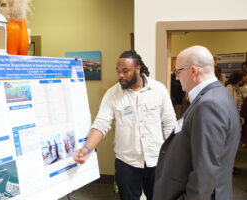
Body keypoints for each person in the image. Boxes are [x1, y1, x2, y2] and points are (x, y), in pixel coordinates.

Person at [73, 50, 176, 200]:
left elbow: (169, 124)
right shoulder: (112, 94)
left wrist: (172, 157)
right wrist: (87, 148)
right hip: (127, 164)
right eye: (118, 71)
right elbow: (101, 124)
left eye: (125, 71)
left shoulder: (158, 90)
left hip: (156, 161)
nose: (120, 75)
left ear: (138, 68)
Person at [153, 46, 241, 200]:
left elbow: (205, 172)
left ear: (193, 71)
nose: (176, 78)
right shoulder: (218, 95)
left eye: (178, 71)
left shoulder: (209, 104)